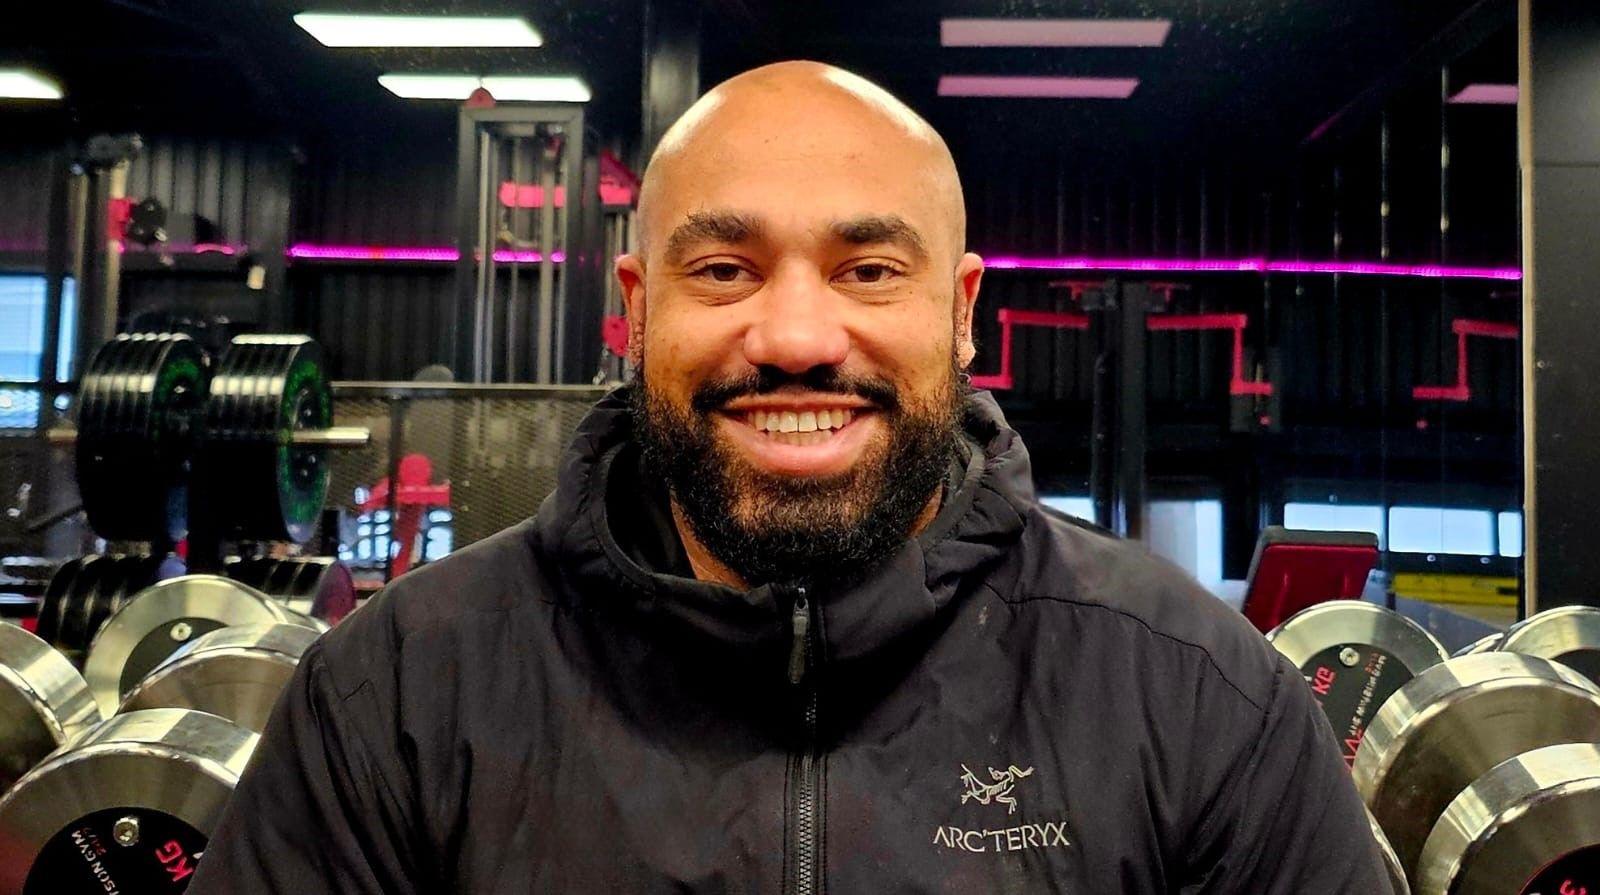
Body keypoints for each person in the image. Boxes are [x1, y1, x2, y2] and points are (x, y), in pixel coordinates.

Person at [191, 61, 1391, 893]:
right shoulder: (396, 700)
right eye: (724, 269)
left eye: (869, 269)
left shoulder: (1198, 700)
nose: (797, 335)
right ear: (636, 308)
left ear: (961, 312)